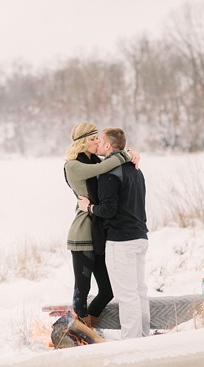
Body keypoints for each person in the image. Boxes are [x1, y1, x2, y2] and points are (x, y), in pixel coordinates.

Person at [63, 122, 138, 329]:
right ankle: (77, 331)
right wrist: (125, 154)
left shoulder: (95, 159)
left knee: (107, 290)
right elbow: (105, 167)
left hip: (99, 231)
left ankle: (87, 326)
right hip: (82, 232)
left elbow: (111, 159)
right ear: (82, 142)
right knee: (82, 287)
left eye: (98, 138)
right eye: (93, 138)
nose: (98, 142)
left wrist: (131, 152)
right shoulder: (73, 165)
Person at [77, 128, 149, 339]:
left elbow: (108, 209)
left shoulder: (109, 173)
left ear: (108, 146)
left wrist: (88, 207)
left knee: (127, 295)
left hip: (121, 241)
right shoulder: (136, 169)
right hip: (140, 236)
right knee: (139, 291)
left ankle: (131, 342)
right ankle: (144, 337)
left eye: (100, 141)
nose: (97, 143)